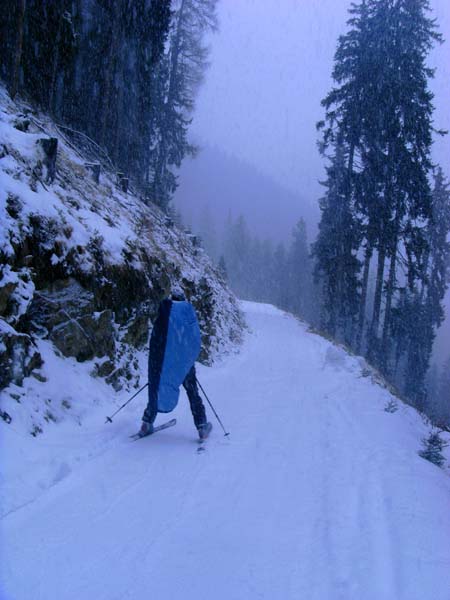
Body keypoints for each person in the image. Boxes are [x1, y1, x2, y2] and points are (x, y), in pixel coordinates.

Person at [139, 286, 212, 440]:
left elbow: (156, 340)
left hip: (164, 363)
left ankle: (146, 423)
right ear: (183, 299)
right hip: (184, 364)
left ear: (172, 298)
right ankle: (201, 426)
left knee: (157, 387)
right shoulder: (187, 315)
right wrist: (187, 357)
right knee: (193, 392)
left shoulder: (165, 315)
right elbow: (194, 339)